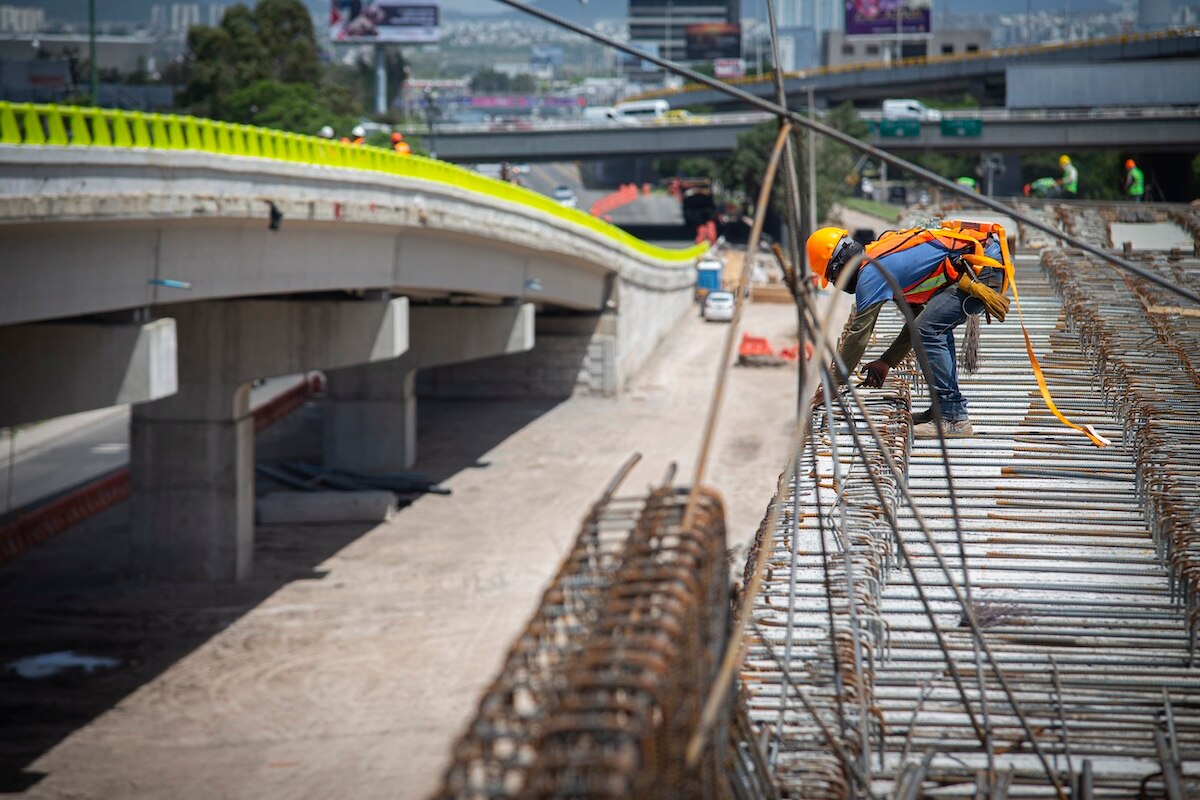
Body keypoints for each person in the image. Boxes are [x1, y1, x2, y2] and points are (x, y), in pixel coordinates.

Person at [806, 221, 1012, 438]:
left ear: (839, 266)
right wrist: (886, 362)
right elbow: (915, 325)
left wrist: (833, 383)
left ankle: (953, 418)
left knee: (929, 331)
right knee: (930, 327)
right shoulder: (879, 258)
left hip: (983, 266)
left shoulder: (870, 274)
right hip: (985, 260)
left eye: (833, 277)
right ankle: (943, 408)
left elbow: (859, 334)